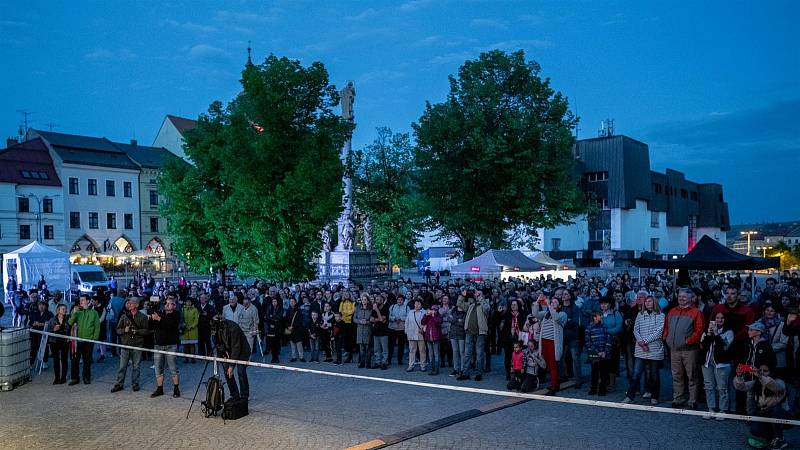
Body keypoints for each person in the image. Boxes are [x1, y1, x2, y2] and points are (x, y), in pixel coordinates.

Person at [663, 288, 705, 409]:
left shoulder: (696, 312)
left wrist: (688, 341)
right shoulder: (672, 311)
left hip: (689, 350)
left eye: (684, 297)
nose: (681, 298)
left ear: (691, 298)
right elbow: (666, 326)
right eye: (680, 296)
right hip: (674, 349)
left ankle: (692, 400)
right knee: (676, 375)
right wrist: (666, 338)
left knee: (691, 375)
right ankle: (678, 398)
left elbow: (699, 330)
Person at [734, 364, 789, 449]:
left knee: (775, 409)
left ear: (771, 372)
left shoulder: (779, 381)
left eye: (765, 371)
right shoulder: (757, 382)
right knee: (755, 432)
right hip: (763, 413)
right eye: (760, 370)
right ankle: (771, 436)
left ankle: (780, 438)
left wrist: (760, 376)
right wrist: (739, 376)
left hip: (781, 415)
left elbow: (776, 387)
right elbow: (741, 387)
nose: (762, 372)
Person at [623, 295, 664, 405]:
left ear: (654, 302)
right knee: (636, 373)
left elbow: (659, 331)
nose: (647, 303)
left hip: (654, 348)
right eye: (646, 301)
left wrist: (646, 341)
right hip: (640, 348)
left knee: (654, 374)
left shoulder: (661, 315)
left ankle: (654, 396)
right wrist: (641, 342)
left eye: (650, 301)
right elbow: (636, 329)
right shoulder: (640, 315)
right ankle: (630, 396)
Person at [698, 311, 734, 419]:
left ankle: (723, 410)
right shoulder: (707, 331)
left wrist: (717, 334)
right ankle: (711, 408)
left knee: (722, 387)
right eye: (717, 318)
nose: (719, 320)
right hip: (707, 363)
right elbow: (702, 347)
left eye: (722, 318)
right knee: (708, 386)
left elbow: (724, 346)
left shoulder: (729, 332)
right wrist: (709, 334)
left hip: (722, 364)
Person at [111, 297, 149, 393]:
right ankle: (119, 383)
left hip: (137, 345)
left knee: (136, 366)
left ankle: (135, 383)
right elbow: (117, 330)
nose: (129, 305)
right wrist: (124, 330)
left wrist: (137, 331)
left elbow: (146, 331)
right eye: (128, 303)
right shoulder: (124, 316)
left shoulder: (143, 317)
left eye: (131, 303)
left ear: (136, 305)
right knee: (122, 366)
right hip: (125, 344)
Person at [212, 316, 251, 401]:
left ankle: (244, 395)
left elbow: (236, 347)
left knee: (240, 371)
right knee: (227, 372)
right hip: (228, 351)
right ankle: (234, 394)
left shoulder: (233, 327)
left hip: (242, 351)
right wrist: (223, 353)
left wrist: (231, 366)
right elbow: (217, 342)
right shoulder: (215, 326)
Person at [149, 296, 181, 398]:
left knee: (173, 368)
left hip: (171, 345)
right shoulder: (160, 313)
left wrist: (158, 318)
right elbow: (151, 327)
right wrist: (151, 317)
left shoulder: (177, 315)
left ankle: (176, 388)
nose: (166, 305)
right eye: (165, 303)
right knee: (158, 368)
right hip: (158, 345)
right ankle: (159, 388)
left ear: (174, 306)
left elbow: (170, 326)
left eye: (169, 303)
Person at [536, 296, 566, 396]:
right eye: (552, 302)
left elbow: (556, 318)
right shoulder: (546, 313)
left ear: (560, 305)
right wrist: (537, 302)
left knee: (553, 365)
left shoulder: (562, 314)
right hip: (544, 341)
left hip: (553, 342)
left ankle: (553, 387)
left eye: (555, 302)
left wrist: (548, 305)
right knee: (548, 364)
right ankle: (555, 383)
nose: (553, 303)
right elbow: (535, 314)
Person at [68, 295, 100, 385]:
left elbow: (97, 327)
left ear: (88, 301)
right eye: (80, 300)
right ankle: (74, 378)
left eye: (82, 300)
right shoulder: (77, 312)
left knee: (87, 360)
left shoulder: (94, 313)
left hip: (88, 340)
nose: (80, 301)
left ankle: (86, 377)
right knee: (75, 360)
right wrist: (74, 313)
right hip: (77, 340)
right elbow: (70, 322)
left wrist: (94, 338)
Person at [459, 292, 488, 381]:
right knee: (467, 354)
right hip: (469, 332)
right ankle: (465, 373)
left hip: (480, 332)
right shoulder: (471, 305)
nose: (476, 295)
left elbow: (487, 309)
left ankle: (479, 373)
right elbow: (459, 304)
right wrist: (463, 296)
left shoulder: (484, 304)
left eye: (478, 294)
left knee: (479, 354)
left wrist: (481, 297)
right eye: (476, 294)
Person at [585, 310, 612, 396]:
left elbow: (608, 340)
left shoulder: (604, 327)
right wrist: (597, 352)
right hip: (594, 354)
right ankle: (593, 388)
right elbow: (588, 342)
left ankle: (602, 389)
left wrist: (605, 351)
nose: (601, 317)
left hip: (604, 354)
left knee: (604, 372)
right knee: (594, 372)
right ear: (594, 317)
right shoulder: (589, 328)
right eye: (599, 315)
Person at [46, 304, 70, 384]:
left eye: (65, 309)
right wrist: (54, 329)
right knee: (56, 360)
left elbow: (70, 330)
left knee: (64, 359)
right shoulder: (52, 320)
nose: (65, 310)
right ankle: (57, 377)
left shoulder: (68, 319)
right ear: (58, 310)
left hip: (64, 341)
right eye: (63, 309)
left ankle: (63, 377)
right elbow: (48, 331)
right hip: (54, 342)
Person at [405, 298, 427, 373]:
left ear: (421, 305)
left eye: (418, 304)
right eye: (415, 304)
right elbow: (407, 322)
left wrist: (423, 329)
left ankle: (423, 366)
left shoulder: (424, 312)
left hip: (421, 334)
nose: (417, 305)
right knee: (412, 350)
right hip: (411, 333)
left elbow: (426, 323)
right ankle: (410, 365)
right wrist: (406, 331)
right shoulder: (410, 312)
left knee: (422, 350)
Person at [28, 300, 53, 366]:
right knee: (33, 347)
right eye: (40, 305)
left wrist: (42, 324)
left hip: (44, 332)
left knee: (44, 347)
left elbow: (51, 323)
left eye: (43, 305)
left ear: (46, 306)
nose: (41, 306)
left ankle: (44, 361)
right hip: (34, 333)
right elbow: (30, 322)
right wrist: (33, 323)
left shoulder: (49, 314)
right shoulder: (35, 313)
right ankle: (31, 362)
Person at [421, 304, 443, 375]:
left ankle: (436, 369)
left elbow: (438, 323)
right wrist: (426, 315)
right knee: (430, 354)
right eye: (432, 309)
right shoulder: (428, 316)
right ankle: (431, 369)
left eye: (435, 310)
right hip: (428, 337)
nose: (433, 311)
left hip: (436, 338)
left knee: (436, 354)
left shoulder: (439, 317)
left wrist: (433, 316)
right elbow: (422, 322)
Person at [388, 294, 408, 367]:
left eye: (401, 300)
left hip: (402, 329)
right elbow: (388, 316)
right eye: (398, 299)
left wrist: (401, 318)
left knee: (401, 345)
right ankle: (389, 359)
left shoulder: (406, 307)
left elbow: (408, 317)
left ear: (403, 300)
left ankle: (400, 360)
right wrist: (394, 318)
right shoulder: (392, 307)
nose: (399, 301)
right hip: (392, 328)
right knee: (391, 345)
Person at [237, 296, 260, 360]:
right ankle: (243, 357)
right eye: (244, 303)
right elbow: (239, 318)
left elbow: (256, 321)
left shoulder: (254, 309)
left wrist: (255, 330)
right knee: (242, 345)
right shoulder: (242, 308)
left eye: (246, 303)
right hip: (242, 330)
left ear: (249, 302)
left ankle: (248, 359)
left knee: (249, 346)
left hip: (250, 331)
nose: (245, 305)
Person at [370, 294, 389, 370]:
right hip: (376, 331)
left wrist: (377, 311)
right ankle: (377, 362)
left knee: (384, 349)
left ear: (382, 300)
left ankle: (384, 362)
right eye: (376, 299)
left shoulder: (385, 308)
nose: (377, 301)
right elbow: (371, 319)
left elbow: (382, 319)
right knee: (377, 349)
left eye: (379, 299)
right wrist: (378, 319)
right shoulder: (374, 308)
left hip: (384, 331)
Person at [264, 297, 284, 363]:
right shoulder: (269, 308)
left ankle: (277, 357)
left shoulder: (280, 308)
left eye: (275, 301)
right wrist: (272, 319)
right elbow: (267, 317)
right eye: (273, 301)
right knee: (272, 344)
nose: (274, 303)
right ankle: (273, 357)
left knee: (277, 344)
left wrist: (272, 318)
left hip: (278, 328)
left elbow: (279, 317)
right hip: (271, 328)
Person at [285, 297, 305, 362]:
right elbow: (286, 320)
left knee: (299, 344)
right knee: (292, 344)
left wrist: (293, 326)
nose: (291, 303)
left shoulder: (298, 310)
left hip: (297, 329)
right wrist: (288, 326)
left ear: (295, 302)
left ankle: (301, 357)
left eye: (293, 301)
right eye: (290, 301)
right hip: (290, 330)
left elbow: (300, 320)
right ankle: (294, 357)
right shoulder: (288, 310)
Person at [181, 299, 199, 363]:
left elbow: (196, 320)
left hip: (192, 330)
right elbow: (181, 318)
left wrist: (192, 326)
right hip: (184, 329)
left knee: (192, 345)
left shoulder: (195, 310)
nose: (188, 302)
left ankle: (193, 358)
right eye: (187, 301)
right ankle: (186, 358)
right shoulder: (183, 309)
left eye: (189, 301)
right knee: (185, 345)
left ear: (191, 302)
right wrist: (183, 325)